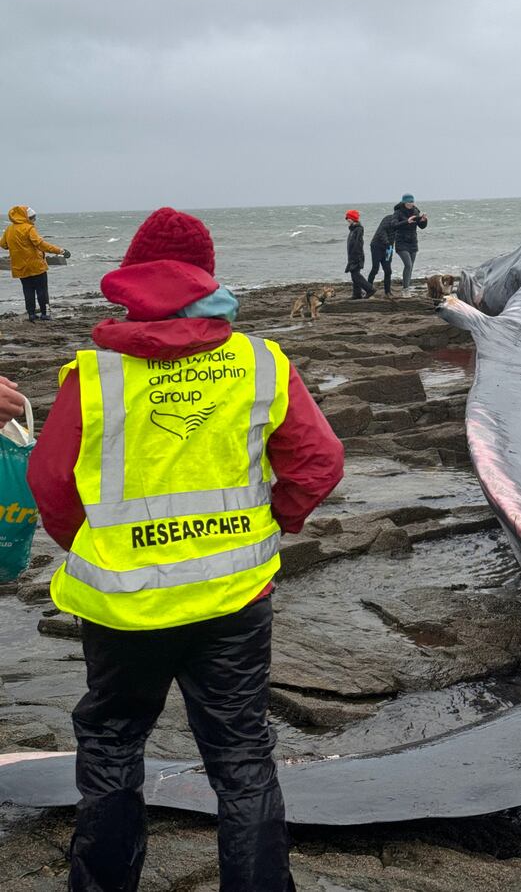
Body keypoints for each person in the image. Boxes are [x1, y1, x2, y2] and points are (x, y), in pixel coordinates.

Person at [27, 206, 344, 892]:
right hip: (234, 601)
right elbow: (320, 460)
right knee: (241, 757)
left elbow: (49, 484)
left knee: (112, 749)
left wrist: (92, 545)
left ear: (131, 281)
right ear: (207, 278)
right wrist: (272, 522)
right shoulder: (259, 363)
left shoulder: (93, 378)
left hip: (122, 609)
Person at [0, 206, 71, 322]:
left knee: (27, 290)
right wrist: (60, 251)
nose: (34, 219)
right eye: (33, 217)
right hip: (36, 266)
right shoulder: (29, 229)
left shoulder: (9, 229)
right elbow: (40, 244)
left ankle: (31, 315)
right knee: (42, 290)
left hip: (20, 267)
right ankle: (45, 314)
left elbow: (3, 245)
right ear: (26, 217)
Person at [392, 194, 428, 297]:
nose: (411, 204)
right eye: (408, 203)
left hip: (413, 242)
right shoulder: (398, 212)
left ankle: (407, 286)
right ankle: (405, 290)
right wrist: (406, 221)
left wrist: (423, 221)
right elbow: (393, 225)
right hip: (401, 242)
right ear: (404, 203)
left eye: (412, 202)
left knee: (410, 267)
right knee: (408, 265)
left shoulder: (416, 211)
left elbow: (421, 227)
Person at [344, 209, 375, 299]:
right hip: (351, 256)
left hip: (357, 256)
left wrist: (356, 256)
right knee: (354, 275)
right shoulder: (352, 230)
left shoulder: (358, 229)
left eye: (348, 218)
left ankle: (370, 289)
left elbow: (358, 244)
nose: (347, 220)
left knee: (356, 275)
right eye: (346, 218)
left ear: (353, 219)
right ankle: (357, 294)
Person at [367, 212, 397, 296]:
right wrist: (387, 243)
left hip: (389, 248)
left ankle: (387, 292)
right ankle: (368, 289)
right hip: (377, 246)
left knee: (388, 270)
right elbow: (381, 231)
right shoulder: (388, 218)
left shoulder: (402, 223)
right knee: (375, 268)